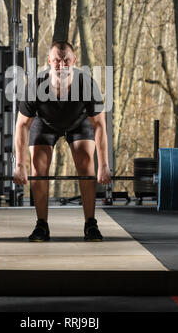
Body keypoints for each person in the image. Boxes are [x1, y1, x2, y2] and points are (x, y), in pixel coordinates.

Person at [14, 40, 112, 242]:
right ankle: (42, 224)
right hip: (45, 123)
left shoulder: (86, 84)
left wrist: (104, 165)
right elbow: (22, 125)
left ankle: (90, 223)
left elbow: (100, 125)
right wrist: (19, 164)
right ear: (49, 61)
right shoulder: (35, 85)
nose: (61, 65)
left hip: (78, 123)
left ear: (74, 61)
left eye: (66, 60)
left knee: (86, 164)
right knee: (38, 168)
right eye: (57, 60)